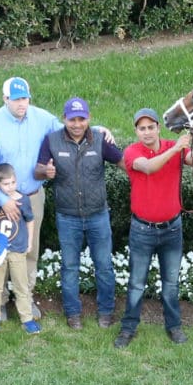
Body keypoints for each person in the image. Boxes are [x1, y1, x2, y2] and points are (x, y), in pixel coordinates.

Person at [114, 108, 193, 348]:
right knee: (137, 283)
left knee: (171, 282)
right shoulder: (132, 152)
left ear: (158, 127)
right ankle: (128, 328)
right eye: (141, 128)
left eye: (150, 127)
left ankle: (174, 326)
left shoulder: (172, 146)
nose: (147, 132)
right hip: (142, 230)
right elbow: (148, 167)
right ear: (136, 131)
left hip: (172, 229)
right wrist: (177, 148)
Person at [0, 77, 62, 319]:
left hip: (32, 197)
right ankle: (0, 300)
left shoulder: (42, 118)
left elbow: (68, 132)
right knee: (1, 248)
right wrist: (2, 200)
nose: (21, 103)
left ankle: (25, 297)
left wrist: (97, 131)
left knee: (28, 249)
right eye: (15, 99)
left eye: (24, 98)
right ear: (5, 99)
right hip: (1, 201)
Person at [35, 97, 122, 330]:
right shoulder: (51, 140)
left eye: (81, 119)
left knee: (103, 265)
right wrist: (46, 171)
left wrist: (149, 167)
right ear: (64, 119)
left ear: (88, 118)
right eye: (72, 119)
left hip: (98, 215)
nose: (76, 124)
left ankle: (106, 312)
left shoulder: (101, 139)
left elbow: (124, 161)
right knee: (70, 266)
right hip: (67, 216)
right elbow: (37, 170)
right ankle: (73, 313)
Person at [0, 163, 38, 334]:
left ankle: (27, 318)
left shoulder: (24, 199)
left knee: (21, 285)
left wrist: (29, 241)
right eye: (5, 184)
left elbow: (30, 220)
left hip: (17, 249)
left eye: (13, 182)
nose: (10, 187)